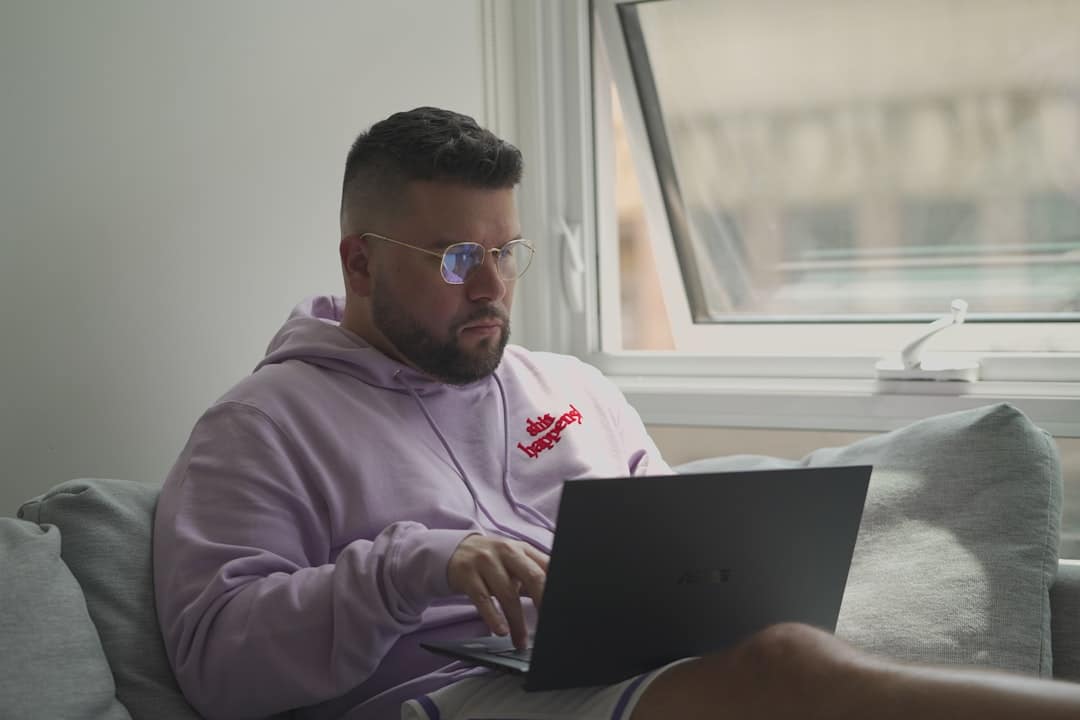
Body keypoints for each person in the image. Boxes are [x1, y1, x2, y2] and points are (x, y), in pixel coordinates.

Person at [153, 106, 1080, 720]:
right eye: (450, 259)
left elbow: (678, 554)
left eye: (504, 251)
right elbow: (212, 659)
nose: (488, 285)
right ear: (358, 263)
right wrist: (411, 568)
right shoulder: (259, 427)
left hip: (606, 676)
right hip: (445, 697)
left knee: (787, 652)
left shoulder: (571, 388)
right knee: (786, 673)